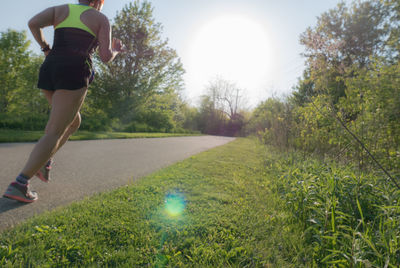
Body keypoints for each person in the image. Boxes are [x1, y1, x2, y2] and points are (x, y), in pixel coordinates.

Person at [3, 0, 125, 202]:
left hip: (51, 67)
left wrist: (45, 48)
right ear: (98, 1)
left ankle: (44, 160)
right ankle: (20, 183)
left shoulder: (61, 10)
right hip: (74, 69)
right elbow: (105, 56)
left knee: (74, 122)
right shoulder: (100, 19)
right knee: (55, 130)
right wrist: (116, 50)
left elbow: (33, 23)